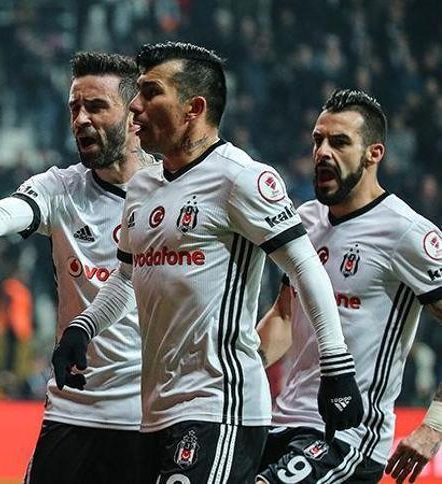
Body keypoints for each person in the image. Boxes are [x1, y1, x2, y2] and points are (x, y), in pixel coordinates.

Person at [52, 41, 364, 483]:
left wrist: (336, 364)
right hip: (153, 411)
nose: (135, 106)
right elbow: (125, 278)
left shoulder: (241, 178)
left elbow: (304, 267)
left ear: (193, 108)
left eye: (150, 93)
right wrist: (83, 329)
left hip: (220, 405)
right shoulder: (142, 188)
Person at [0, 52, 149, 484]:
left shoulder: (174, 193)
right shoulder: (60, 188)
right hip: (73, 408)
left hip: (150, 413)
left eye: (96, 106)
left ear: (135, 115)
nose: (81, 119)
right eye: (75, 107)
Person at [256, 89, 442, 483]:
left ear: (374, 154)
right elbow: (284, 317)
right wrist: (233, 368)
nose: (323, 152)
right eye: (318, 140)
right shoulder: (304, 221)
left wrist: (434, 426)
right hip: (282, 423)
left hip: (349, 437)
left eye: (339, 142)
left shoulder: (407, 233)